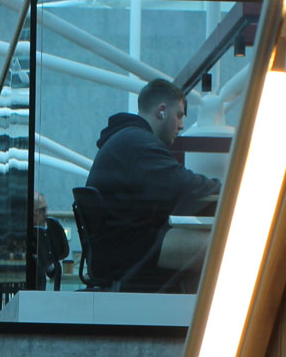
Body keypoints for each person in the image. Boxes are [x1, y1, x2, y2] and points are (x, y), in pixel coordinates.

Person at [82, 78, 222, 287]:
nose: (182, 125)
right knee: (226, 247)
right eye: (179, 115)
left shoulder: (125, 139)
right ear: (161, 111)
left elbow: (174, 187)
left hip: (120, 246)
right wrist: (229, 190)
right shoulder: (139, 144)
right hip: (133, 249)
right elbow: (184, 186)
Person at [31, 190, 70, 290]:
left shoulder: (47, 231)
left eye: (45, 209)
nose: (46, 213)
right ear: (32, 211)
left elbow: (52, 269)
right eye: (42, 210)